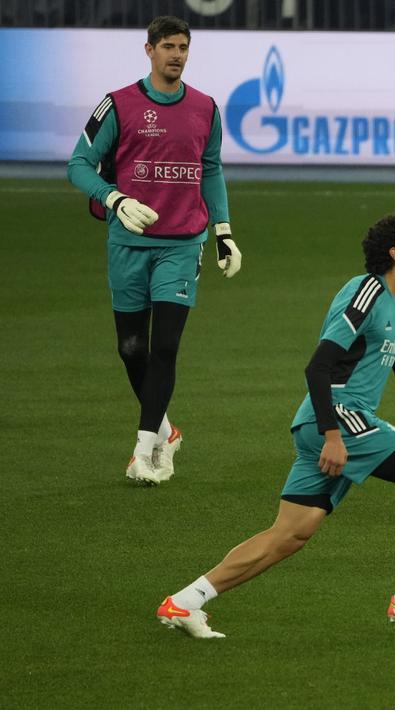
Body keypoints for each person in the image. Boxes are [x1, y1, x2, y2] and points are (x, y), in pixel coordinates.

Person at [155, 215, 395, 638]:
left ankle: (184, 602)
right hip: (339, 416)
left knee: (289, 535)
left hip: (332, 421)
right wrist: (332, 435)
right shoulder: (367, 292)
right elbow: (319, 365)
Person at [67, 16, 241, 485]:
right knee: (131, 349)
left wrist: (222, 229)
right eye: (168, 46)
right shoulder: (118, 104)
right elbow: (79, 165)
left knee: (164, 346)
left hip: (183, 244)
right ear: (148, 50)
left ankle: (143, 452)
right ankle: (166, 428)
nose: (177, 55)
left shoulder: (205, 107)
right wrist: (115, 198)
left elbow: (211, 168)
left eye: (183, 46)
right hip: (127, 243)